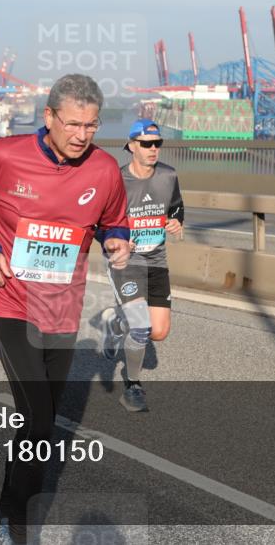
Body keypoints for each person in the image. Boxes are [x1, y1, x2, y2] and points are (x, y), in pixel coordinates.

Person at [0, 74, 130, 545]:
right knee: (40, 420)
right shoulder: (3, 155)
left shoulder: (105, 169)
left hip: (62, 306)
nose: (82, 135)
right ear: (48, 117)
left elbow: (114, 222)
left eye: (91, 125)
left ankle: (5, 510)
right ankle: (13, 526)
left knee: (38, 425)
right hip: (8, 298)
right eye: (73, 124)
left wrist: (117, 242)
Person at [99, 119, 184, 413]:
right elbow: (101, 222)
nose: (153, 149)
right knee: (141, 327)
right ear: (131, 145)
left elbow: (176, 207)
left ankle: (115, 323)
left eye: (157, 143)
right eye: (146, 143)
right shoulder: (117, 180)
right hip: (126, 261)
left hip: (157, 259)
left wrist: (176, 221)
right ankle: (132, 387)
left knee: (158, 332)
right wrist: (115, 243)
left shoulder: (168, 175)